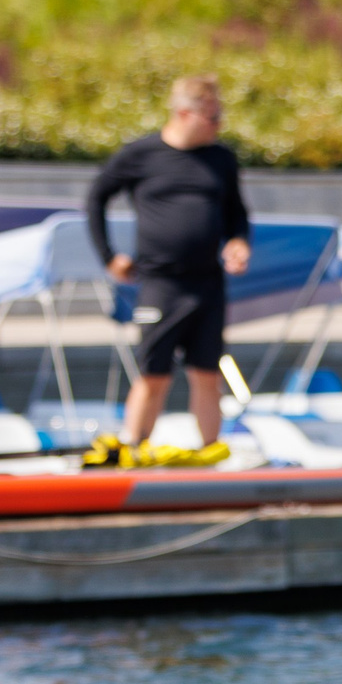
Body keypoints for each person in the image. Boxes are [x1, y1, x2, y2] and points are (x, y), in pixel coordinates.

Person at [87, 74, 251, 451]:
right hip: (161, 284)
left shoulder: (220, 159)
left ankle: (211, 450)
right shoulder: (141, 155)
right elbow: (96, 198)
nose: (218, 125)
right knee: (154, 374)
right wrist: (109, 257)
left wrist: (239, 242)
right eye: (212, 118)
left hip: (208, 282)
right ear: (183, 113)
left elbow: (236, 212)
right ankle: (134, 446)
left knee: (207, 373)